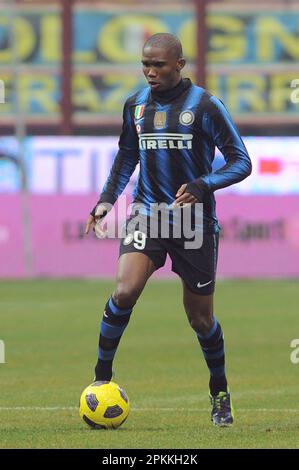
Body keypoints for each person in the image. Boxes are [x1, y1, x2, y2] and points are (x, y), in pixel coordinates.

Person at [85, 33, 252, 427]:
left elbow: (241, 161)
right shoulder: (136, 106)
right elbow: (127, 155)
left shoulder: (207, 107)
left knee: (200, 319)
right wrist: (106, 200)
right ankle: (100, 379)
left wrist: (201, 185)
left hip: (195, 224)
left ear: (179, 64)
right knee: (125, 290)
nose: (150, 72)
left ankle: (220, 393)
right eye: (145, 64)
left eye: (158, 65)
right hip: (148, 214)